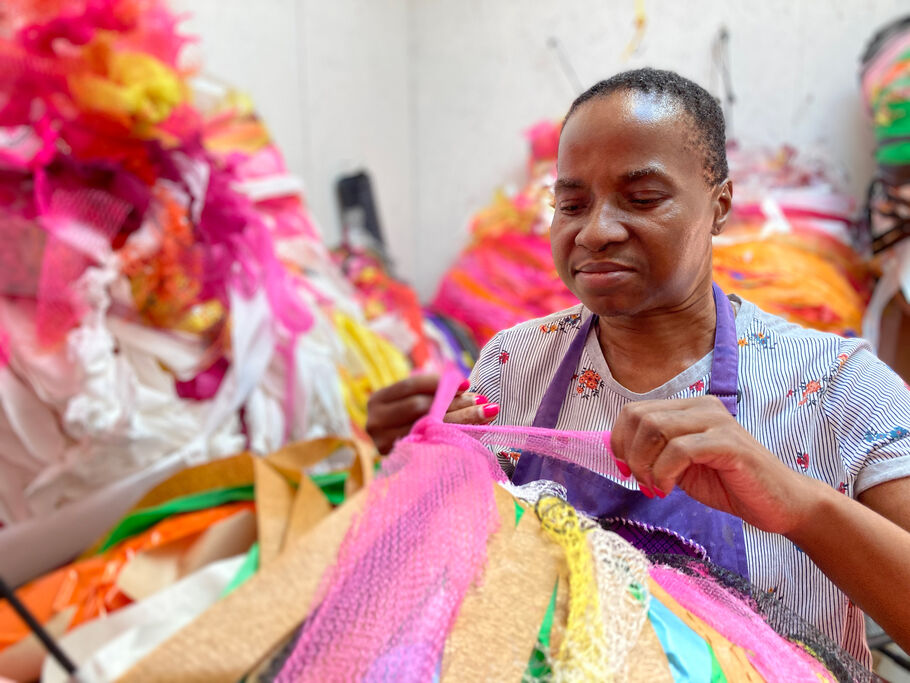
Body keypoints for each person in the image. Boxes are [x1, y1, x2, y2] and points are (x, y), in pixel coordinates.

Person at [366, 68, 910, 663]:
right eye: (571, 204)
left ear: (719, 206)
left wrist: (802, 506)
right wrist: (421, 474)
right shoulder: (514, 365)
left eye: (643, 199)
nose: (595, 231)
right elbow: (457, 589)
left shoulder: (835, 387)